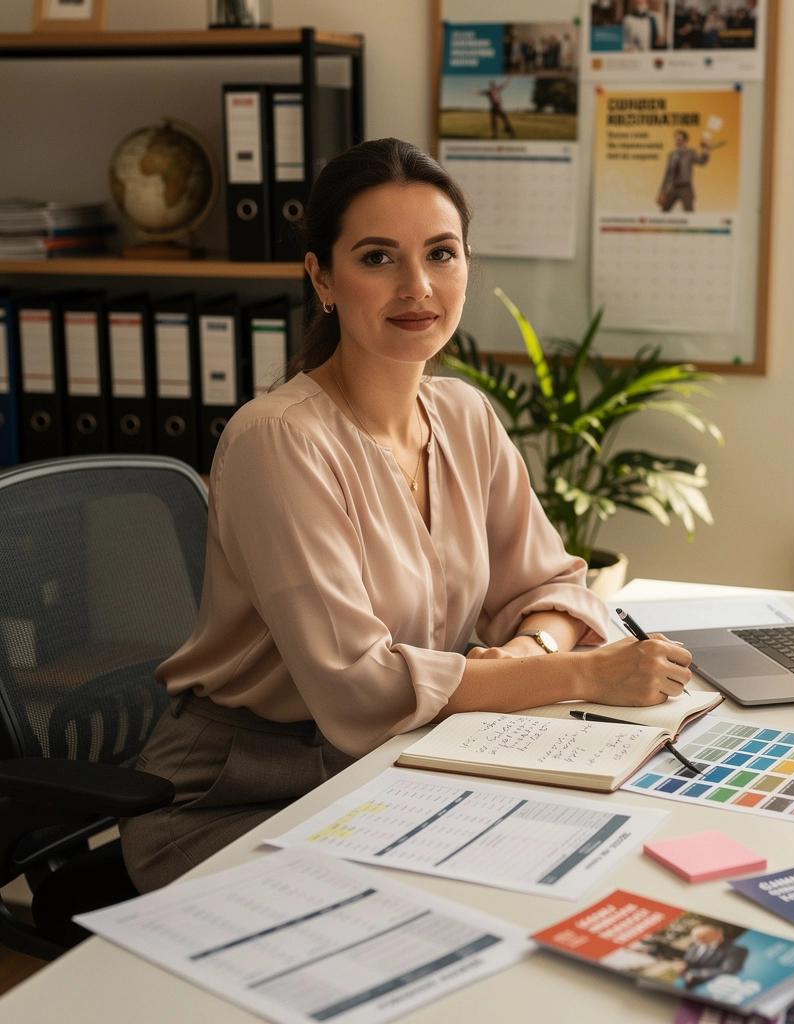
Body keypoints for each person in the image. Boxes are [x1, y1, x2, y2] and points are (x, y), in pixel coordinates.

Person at [120, 138, 694, 892]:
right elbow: (360, 687)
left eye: (441, 254)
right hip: (240, 793)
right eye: (378, 258)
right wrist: (577, 673)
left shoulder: (463, 413)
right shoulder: (278, 441)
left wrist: (525, 655)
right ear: (321, 279)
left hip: (397, 760)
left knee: (583, 868)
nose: (417, 286)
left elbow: (548, 586)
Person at [657, 129, 711, 212]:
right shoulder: (671, 155)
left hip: (685, 188)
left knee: (689, 212)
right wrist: (662, 192)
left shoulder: (690, 153)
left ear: (685, 140)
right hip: (673, 187)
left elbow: (702, 161)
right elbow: (667, 175)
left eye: (679, 139)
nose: (677, 140)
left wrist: (706, 149)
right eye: (676, 138)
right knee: (664, 211)